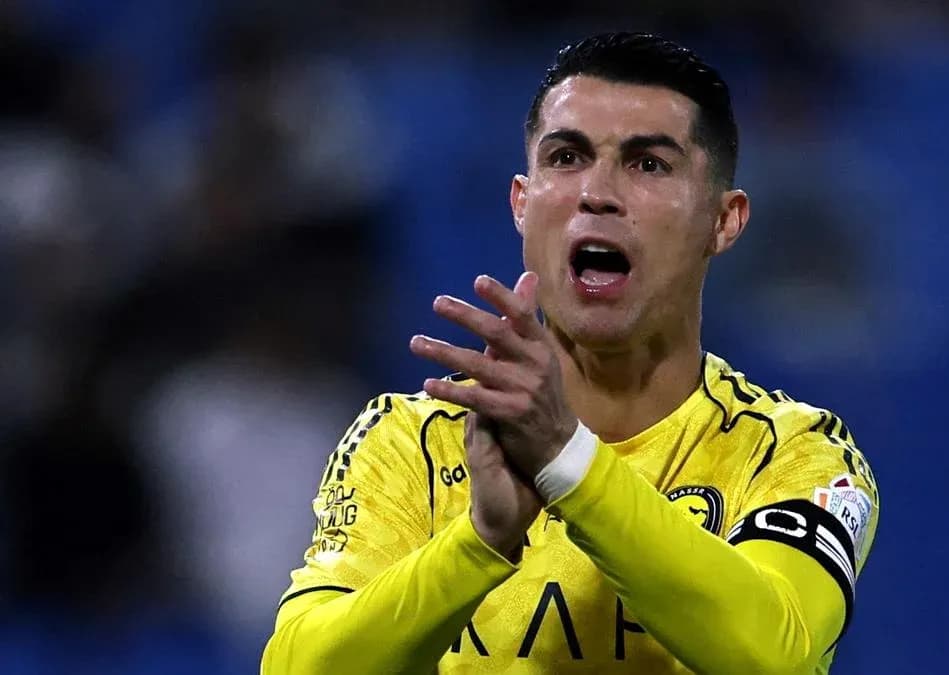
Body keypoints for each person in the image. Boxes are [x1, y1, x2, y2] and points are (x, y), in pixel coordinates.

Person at [262, 32, 880, 674]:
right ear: (522, 205)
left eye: (649, 164)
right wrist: (479, 544)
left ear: (724, 221)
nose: (598, 193)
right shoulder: (409, 441)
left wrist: (568, 462)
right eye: (566, 157)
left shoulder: (796, 457)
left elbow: (770, 657)